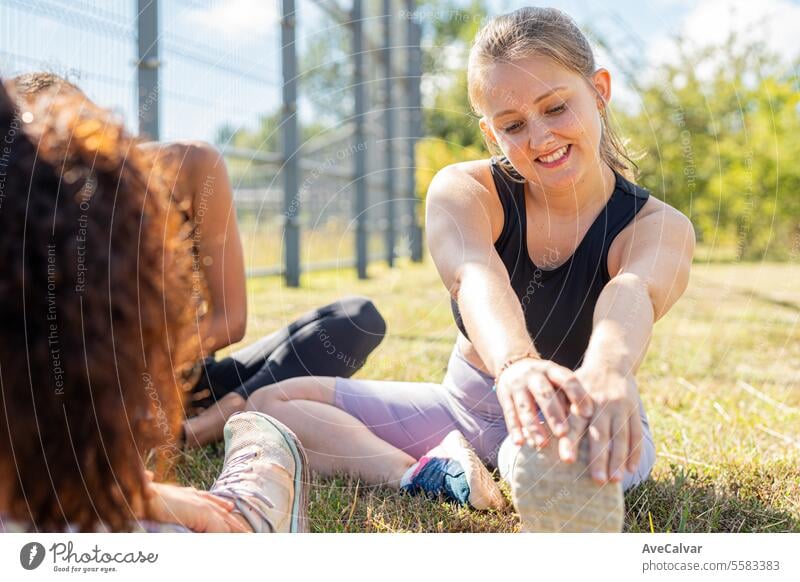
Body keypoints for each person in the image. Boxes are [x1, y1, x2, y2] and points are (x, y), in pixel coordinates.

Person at [243, 7, 696, 531]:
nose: (541, 137)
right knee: (274, 401)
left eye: (555, 107)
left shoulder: (659, 225)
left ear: (599, 91)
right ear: (490, 133)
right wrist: (515, 364)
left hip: (581, 413)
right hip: (466, 406)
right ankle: (425, 474)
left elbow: (633, 291)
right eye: (513, 125)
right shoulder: (467, 190)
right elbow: (474, 274)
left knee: (551, 448)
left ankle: (532, 463)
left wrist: (608, 373)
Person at [9, 72, 388, 450]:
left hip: (181, 377)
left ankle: (217, 419)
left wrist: (147, 366)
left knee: (357, 319)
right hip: (89, 391)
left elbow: (230, 320)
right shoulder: (27, 210)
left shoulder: (190, 166)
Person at [0, 79, 307, 533]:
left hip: (157, 370)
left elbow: (231, 321)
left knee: (349, 323)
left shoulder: (172, 167)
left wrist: (140, 362)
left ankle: (226, 411)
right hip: (92, 388)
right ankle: (228, 436)